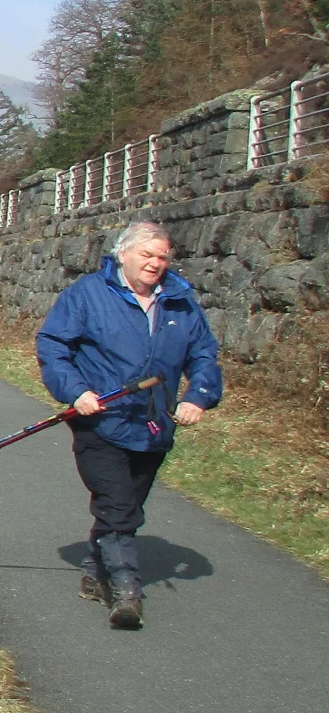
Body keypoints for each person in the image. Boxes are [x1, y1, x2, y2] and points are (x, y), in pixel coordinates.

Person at [35, 220, 221, 629]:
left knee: (126, 504)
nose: (155, 264)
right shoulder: (87, 294)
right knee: (118, 505)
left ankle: (93, 568)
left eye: (162, 257)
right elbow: (53, 345)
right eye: (147, 255)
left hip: (153, 423)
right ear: (123, 254)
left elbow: (204, 354)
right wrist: (76, 391)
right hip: (99, 420)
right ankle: (126, 590)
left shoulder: (180, 300)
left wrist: (198, 397)